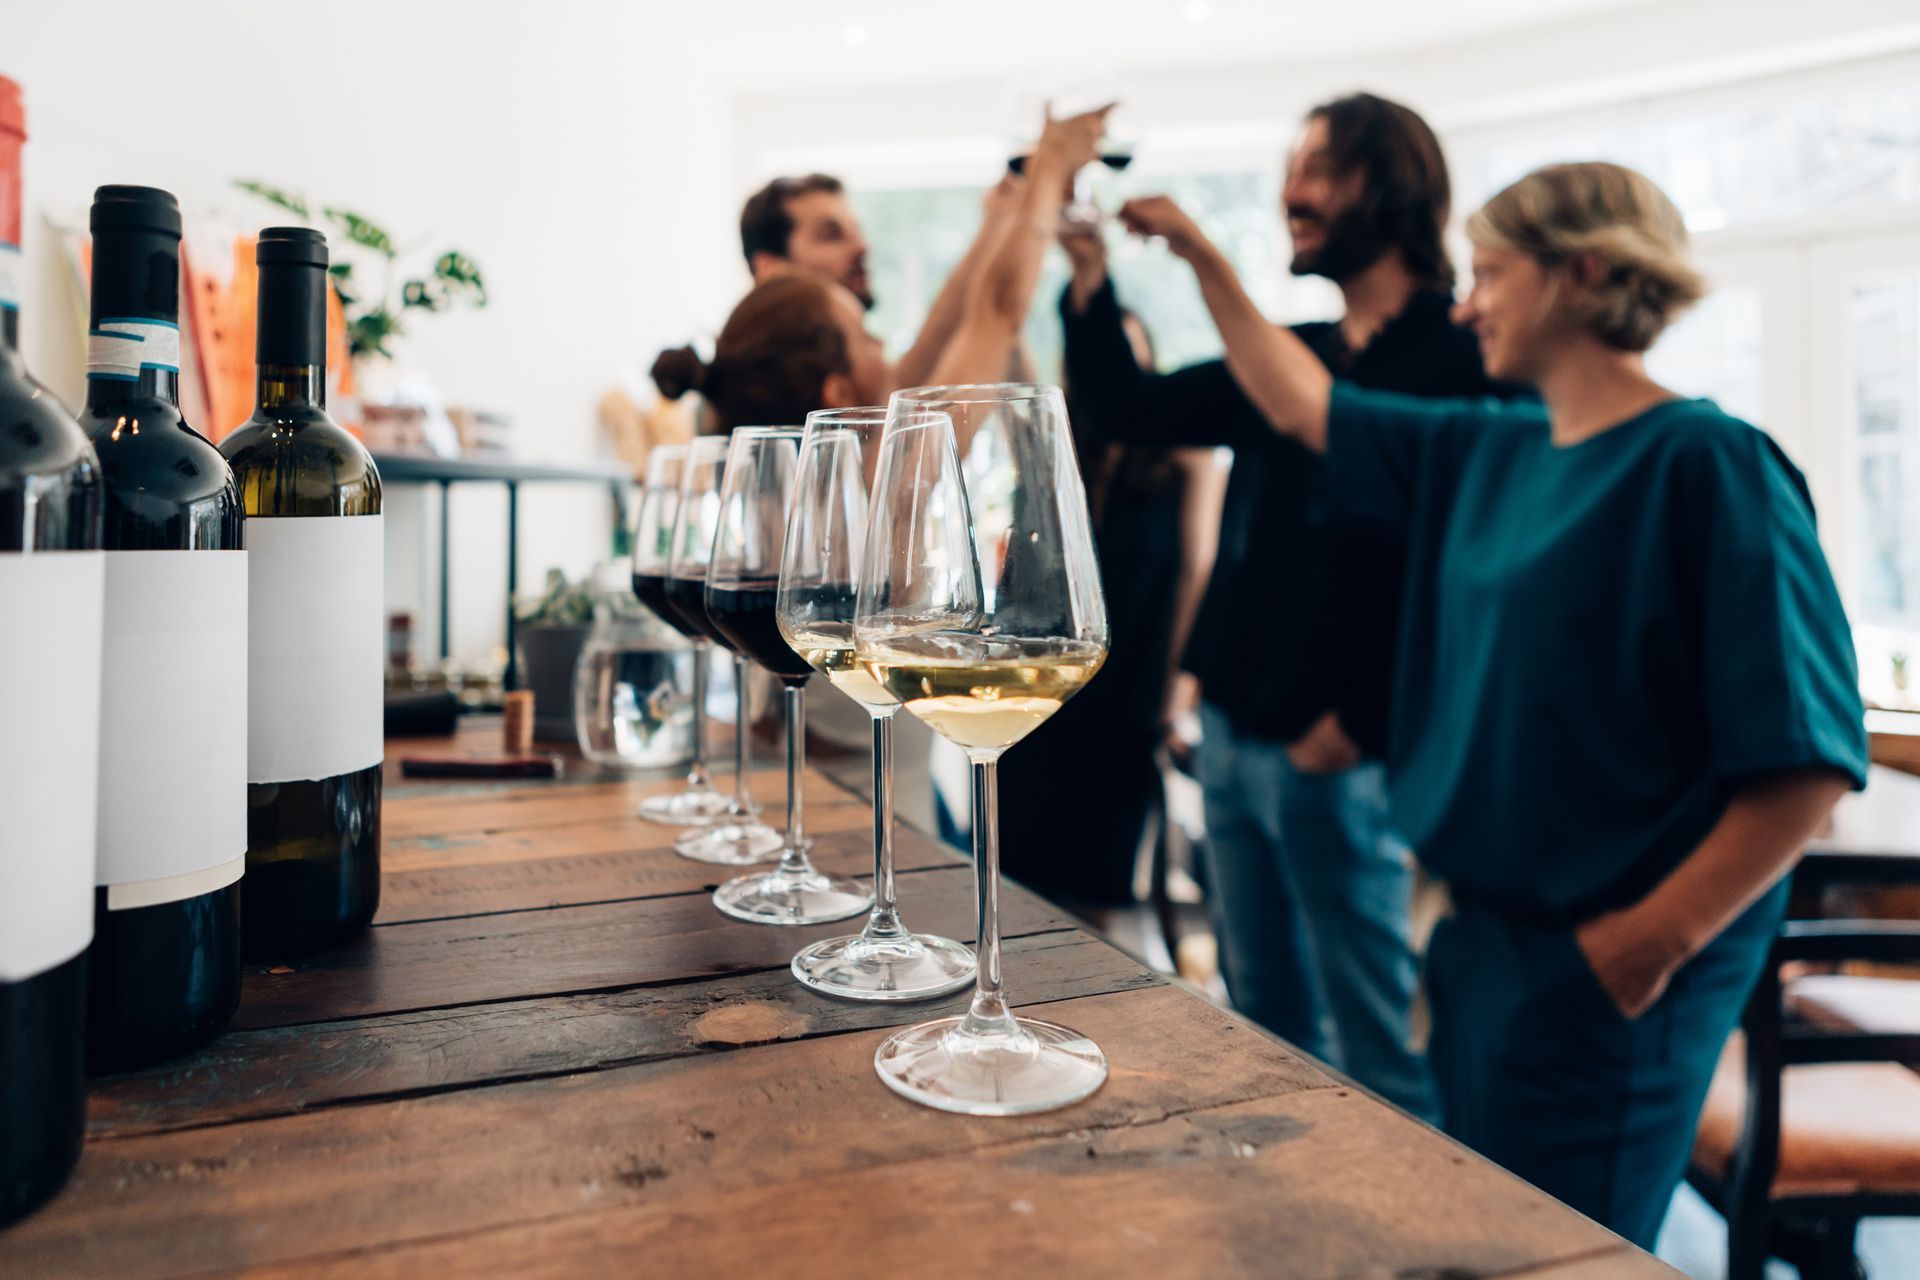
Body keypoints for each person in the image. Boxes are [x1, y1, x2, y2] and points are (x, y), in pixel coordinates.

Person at [1120, 161, 1867, 1248]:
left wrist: (1639, 948)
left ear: (1583, 274)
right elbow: (1298, 398)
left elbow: (1806, 770)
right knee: (1472, 1236)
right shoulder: (1491, 444)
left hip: (1612, 958)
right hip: (1480, 940)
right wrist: (1196, 252)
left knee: (1560, 1251)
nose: (1466, 304)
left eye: (1488, 274)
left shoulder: (1708, 463)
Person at [1058, 92, 1517, 1119]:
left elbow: (1458, 582)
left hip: (1345, 754)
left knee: (1379, 1044)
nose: (1291, 191)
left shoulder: (1463, 359)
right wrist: (1091, 281)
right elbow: (1130, 407)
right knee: (1260, 1024)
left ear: (1389, 186)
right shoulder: (1298, 342)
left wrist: (1356, 724)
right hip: (1233, 730)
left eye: (1319, 168)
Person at [997, 305, 1227, 909]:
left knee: (1098, 881)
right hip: (1038, 690)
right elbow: (1008, 350)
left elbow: (1197, 571)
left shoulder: (1187, 454)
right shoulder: (1055, 445)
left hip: (1131, 689)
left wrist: (1179, 690)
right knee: (1017, 870)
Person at [738, 171, 1026, 392]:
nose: (862, 247)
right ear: (771, 268)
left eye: (856, 231)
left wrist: (995, 227)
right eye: (831, 235)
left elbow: (903, 386)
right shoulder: (767, 375)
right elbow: (906, 431)